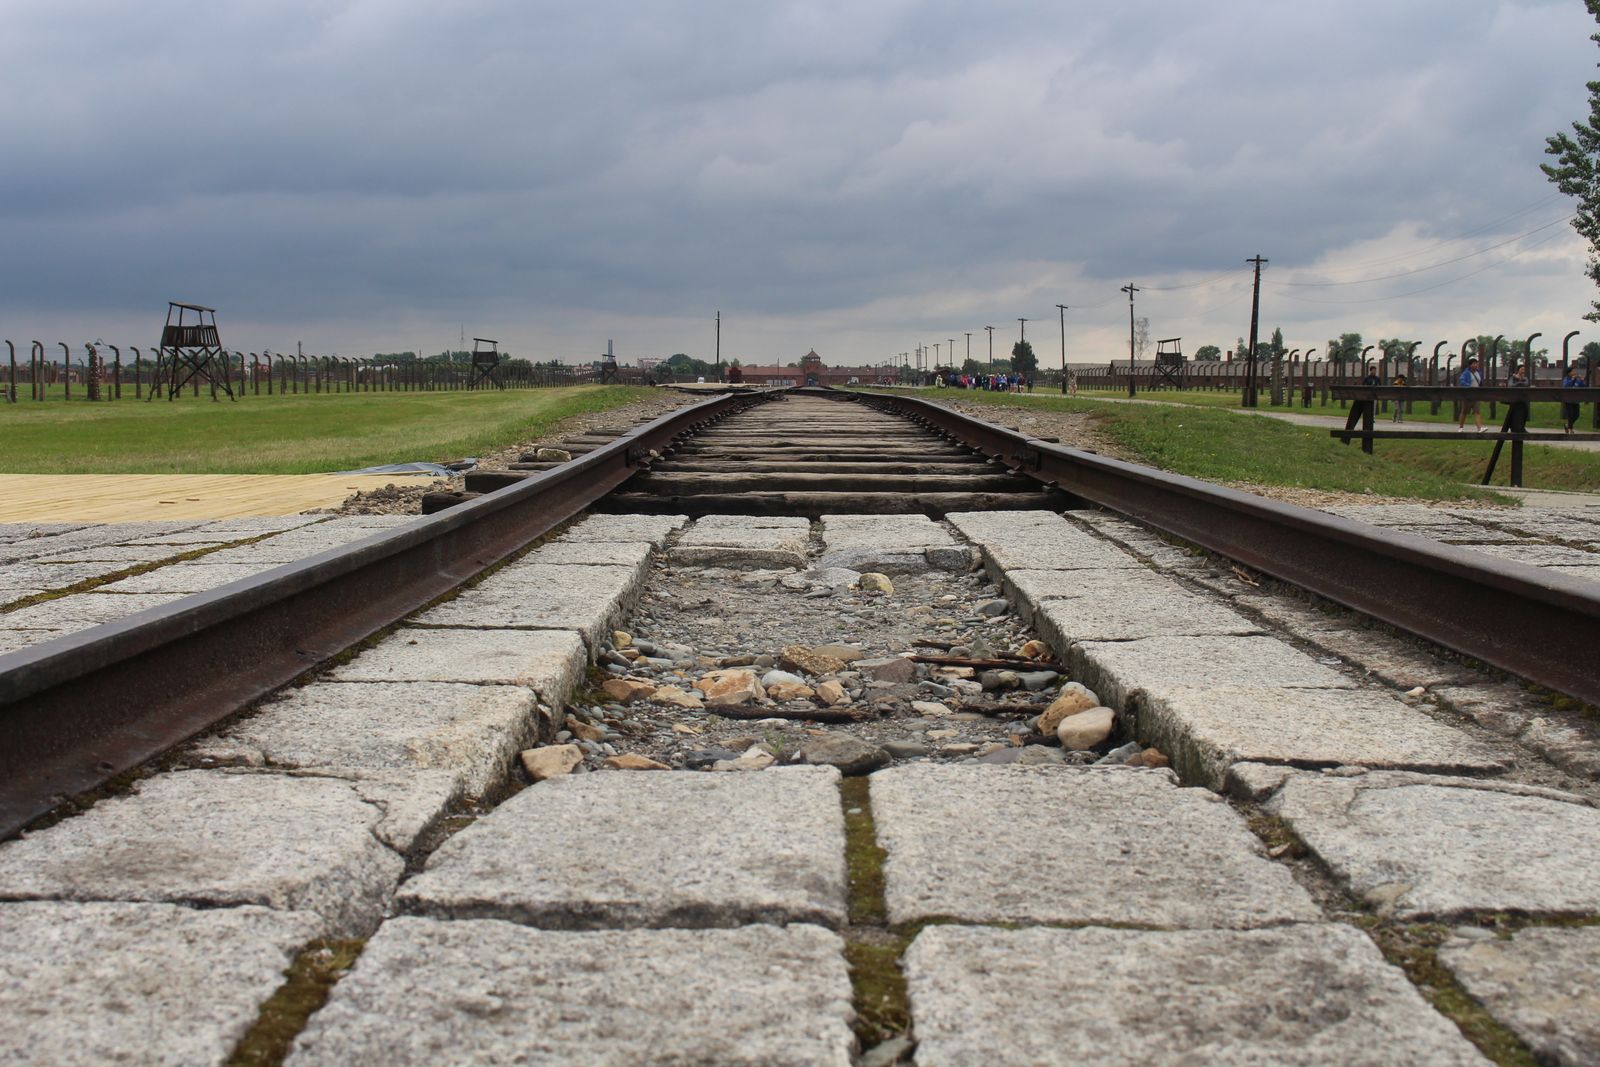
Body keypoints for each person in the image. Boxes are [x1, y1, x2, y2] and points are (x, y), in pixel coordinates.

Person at [1457, 356, 1485, 432]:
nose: (1476, 365)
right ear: (1470, 365)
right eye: (1474, 364)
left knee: (1477, 412)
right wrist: (1469, 387)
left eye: (1477, 364)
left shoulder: (1478, 372)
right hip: (1468, 395)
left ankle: (1479, 428)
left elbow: (1481, 382)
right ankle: (1461, 427)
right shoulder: (1466, 373)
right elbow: (1462, 382)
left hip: (1476, 395)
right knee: (1464, 412)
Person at [1562, 366, 1587, 434]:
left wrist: (1582, 380)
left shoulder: (1577, 380)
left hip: (1576, 400)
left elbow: (1583, 386)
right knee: (1570, 415)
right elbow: (1566, 386)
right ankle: (1571, 429)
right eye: (1573, 371)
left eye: (1575, 371)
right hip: (1568, 400)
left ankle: (1567, 425)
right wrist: (1572, 380)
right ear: (1569, 373)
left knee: (1576, 415)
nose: (1574, 372)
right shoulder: (1566, 379)